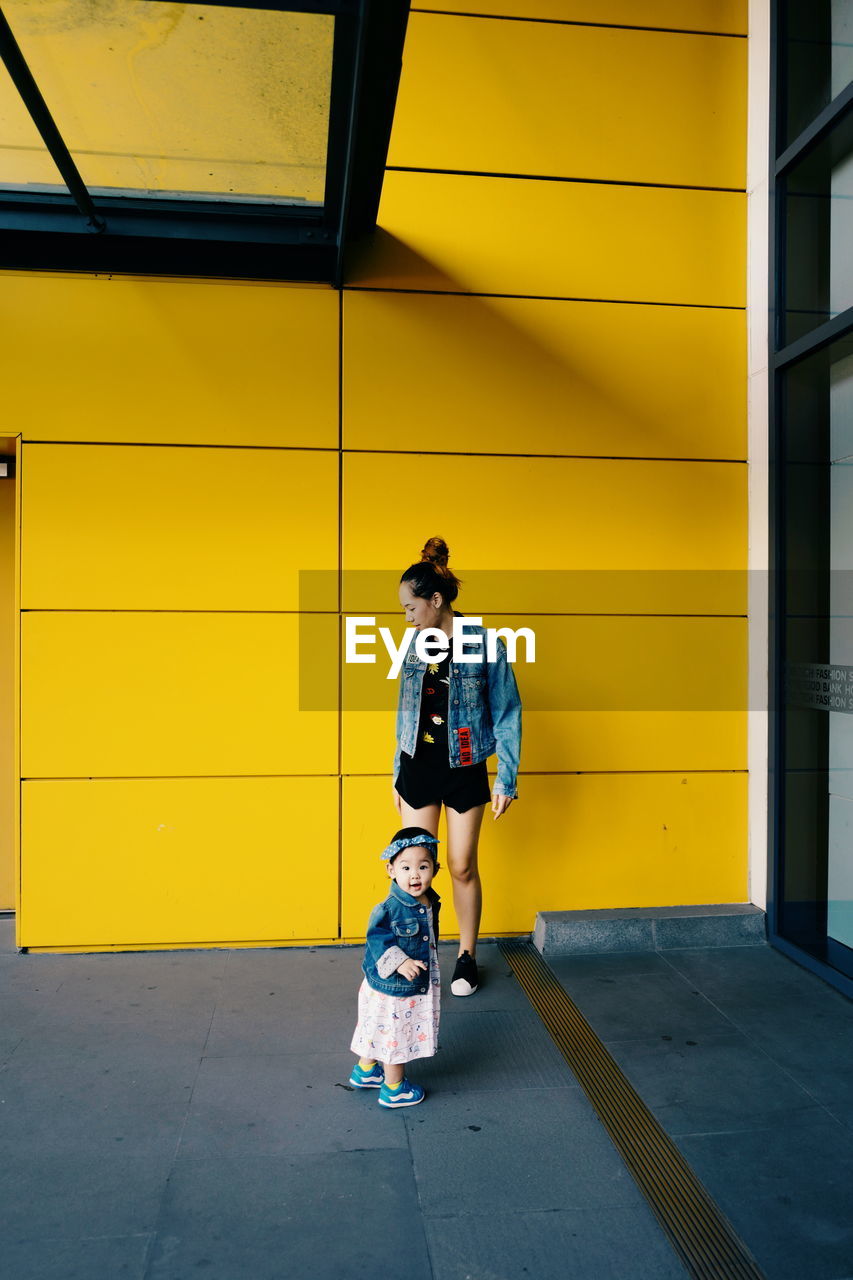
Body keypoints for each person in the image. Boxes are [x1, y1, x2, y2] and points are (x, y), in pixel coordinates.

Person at [393, 537, 521, 998]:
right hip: (417, 767)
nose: (407, 617)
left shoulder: (485, 644)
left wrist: (507, 774)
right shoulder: (412, 647)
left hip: (465, 765)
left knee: (461, 865)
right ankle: (416, 954)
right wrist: (397, 771)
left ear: (435, 599)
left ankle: (466, 956)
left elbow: (507, 711)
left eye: (411, 607)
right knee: (413, 866)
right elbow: (406, 710)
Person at [349, 827, 442, 1108]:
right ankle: (394, 1088)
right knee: (396, 1034)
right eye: (406, 867)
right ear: (391, 870)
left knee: (379, 1026)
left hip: (404, 980)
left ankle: (366, 1070)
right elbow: (376, 938)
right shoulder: (390, 907)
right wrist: (400, 961)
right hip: (396, 986)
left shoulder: (428, 899)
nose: (415, 875)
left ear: (435, 869)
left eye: (423, 866)